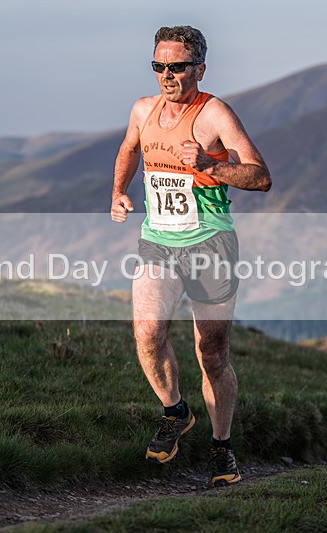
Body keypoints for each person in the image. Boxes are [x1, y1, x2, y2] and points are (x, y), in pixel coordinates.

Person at [110, 25, 271, 485]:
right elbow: (129, 148)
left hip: (210, 243)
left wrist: (211, 165)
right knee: (147, 334)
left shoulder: (216, 114)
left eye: (176, 66)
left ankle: (222, 448)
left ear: (199, 68)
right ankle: (176, 412)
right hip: (159, 240)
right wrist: (119, 191)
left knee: (212, 352)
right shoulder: (143, 109)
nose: (166, 74)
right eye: (159, 66)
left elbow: (260, 177)